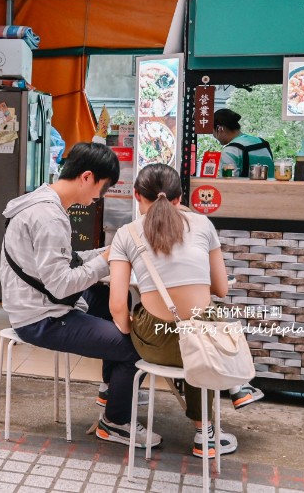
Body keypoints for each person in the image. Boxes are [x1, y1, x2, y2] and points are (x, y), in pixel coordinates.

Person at [0, 142, 157, 447]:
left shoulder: (41, 202)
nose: (99, 196)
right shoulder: (50, 218)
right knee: (135, 345)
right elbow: (60, 284)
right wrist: (106, 260)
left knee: (118, 302)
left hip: (36, 304)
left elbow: (64, 263)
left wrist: (108, 253)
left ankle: (112, 390)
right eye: (103, 187)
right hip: (41, 318)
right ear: (87, 177)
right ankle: (116, 423)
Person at [108, 163, 242, 458]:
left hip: (153, 345)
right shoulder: (203, 225)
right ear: (180, 199)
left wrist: (135, 333)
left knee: (189, 331)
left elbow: (118, 305)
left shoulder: (125, 234)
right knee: (200, 329)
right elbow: (221, 289)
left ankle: (110, 398)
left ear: (135, 195)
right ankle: (205, 432)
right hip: (200, 345)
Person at [213, 108, 274, 178]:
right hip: (270, 188)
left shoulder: (230, 151)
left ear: (219, 129)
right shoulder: (262, 142)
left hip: (246, 189)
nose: (214, 136)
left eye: (213, 132)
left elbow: (228, 183)